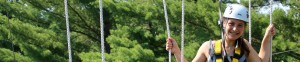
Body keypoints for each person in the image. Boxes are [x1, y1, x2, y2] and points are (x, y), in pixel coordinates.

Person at [165, 4, 276, 62]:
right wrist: (177, 51)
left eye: (240, 25)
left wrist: (267, 37)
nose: (235, 29)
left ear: (244, 28)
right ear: (223, 23)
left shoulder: (244, 46)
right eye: (231, 24)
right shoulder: (208, 47)